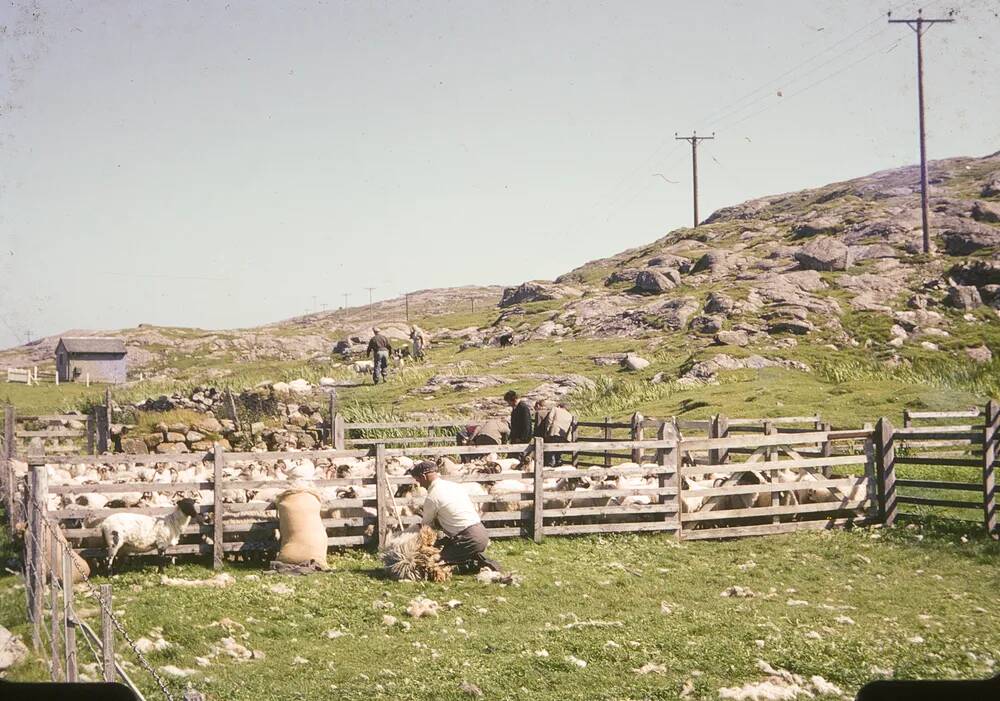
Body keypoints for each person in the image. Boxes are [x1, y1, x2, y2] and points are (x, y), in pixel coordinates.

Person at [408, 461, 501, 573]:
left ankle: (474, 565)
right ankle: (473, 557)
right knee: (447, 547)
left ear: (423, 476)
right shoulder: (454, 486)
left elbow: (426, 527)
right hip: (482, 533)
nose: (420, 485)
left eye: (418, 480)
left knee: (431, 563)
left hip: (467, 538)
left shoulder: (432, 497)